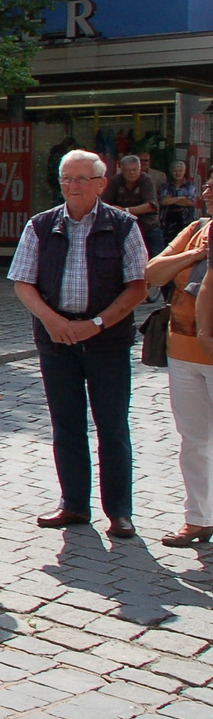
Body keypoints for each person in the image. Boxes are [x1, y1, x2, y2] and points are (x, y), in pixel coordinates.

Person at [10, 150, 147, 539]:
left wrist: (97, 324)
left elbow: (138, 285)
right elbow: (22, 281)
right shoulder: (41, 225)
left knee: (112, 426)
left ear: (101, 184)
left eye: (81, 179)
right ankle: (73, 504)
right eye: (66, 178)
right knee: (66, 425)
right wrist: (51, 320)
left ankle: (119, 511)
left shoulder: (123, 226)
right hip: (56, 343)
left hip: (107, 343)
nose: (72, 186)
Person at [155, 182, 213, 547]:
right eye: (208, 185)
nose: (207, 190)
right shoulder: (195, 231)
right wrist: (193, 256)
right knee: (194, 440)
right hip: (183, 349)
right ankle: (199, 518)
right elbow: (154, 273)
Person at [104, 154, 163, 259]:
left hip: (147, 226)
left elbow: (151, 206)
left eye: (135, 169)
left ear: (140, 169)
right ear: (121, 170)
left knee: (157, 258)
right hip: (123, 226)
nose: (132, 173)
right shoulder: (115, 181)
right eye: (128, 170)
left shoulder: (146, 180)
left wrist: (125, 210)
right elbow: (105, 203)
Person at [161, 160, 200, 243]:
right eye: (175, 171)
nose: (177, 173)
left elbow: (190, 202)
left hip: (186, 220)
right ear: (171, 172)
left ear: (184, 171)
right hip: (168, 221)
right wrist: (180, 198)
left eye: (180, 171)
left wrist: (172, 199)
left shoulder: (190, 185)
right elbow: (163, 201)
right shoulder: (166, 186)